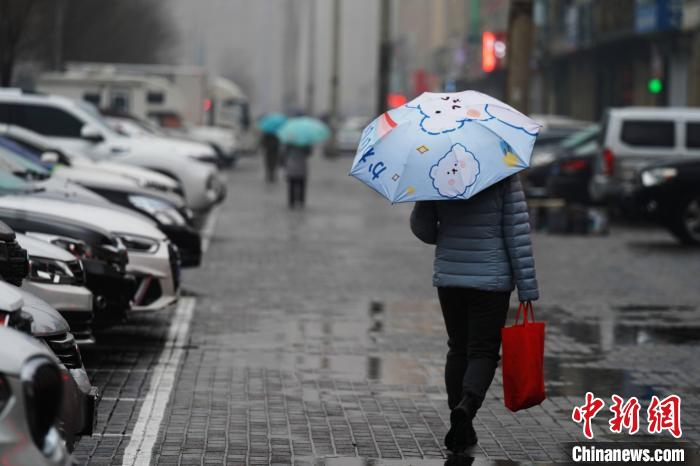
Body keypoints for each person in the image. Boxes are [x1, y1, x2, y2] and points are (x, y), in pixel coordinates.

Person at [409, 175, 539, 454]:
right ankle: (467, 404)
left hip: (451, 277)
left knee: (457, 348)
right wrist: (527, 287)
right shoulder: (504, 173)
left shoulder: (434, 172)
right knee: (483, 350)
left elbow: (424, 230)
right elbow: (516, 232)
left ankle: (460, 422)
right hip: (491, 281)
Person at [284, 144, 312, 208]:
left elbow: (285, 152)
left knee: (291, 184)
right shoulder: (305, 143)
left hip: (291, 165)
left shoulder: (289, 142)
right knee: (302, 184)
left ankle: (291, 201)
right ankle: (301, 201)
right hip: (301, 165)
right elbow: (309, 153)